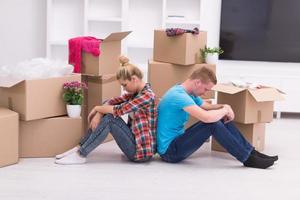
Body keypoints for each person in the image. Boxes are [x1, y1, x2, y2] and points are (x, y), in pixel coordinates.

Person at [157, 67, 278, 169]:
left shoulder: (186, 92)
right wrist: (224, 110)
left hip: (177, 141)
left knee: (219, 118)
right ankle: (247, 159)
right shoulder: (178, 96)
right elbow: (207, 117)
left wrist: (225, 106)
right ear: (197, 82)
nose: (205, 93)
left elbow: (207, 106)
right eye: (205, 89)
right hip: (170, 152)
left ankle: (251, 152)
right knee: (213, 123)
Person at [55, 56, 157, 164]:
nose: (123, 89)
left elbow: (119, 109)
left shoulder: (147, 96)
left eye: (124, 85)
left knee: (110, 119)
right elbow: (111, 101)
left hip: (141, 153)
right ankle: (79, 148)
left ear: (134, 79)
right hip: (134, 144)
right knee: (107, 113)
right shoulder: (136, 94)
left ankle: (81, 154)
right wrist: (99, 113)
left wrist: (97, 108)